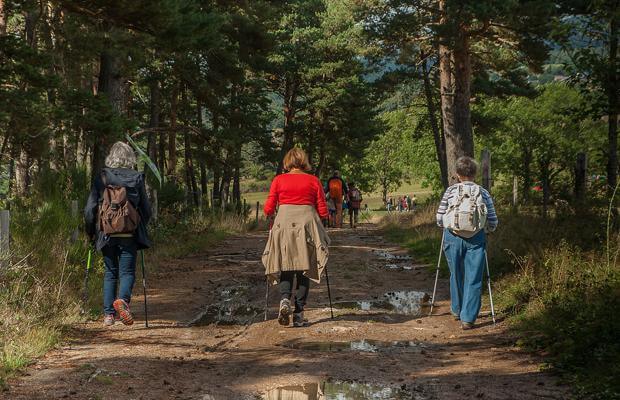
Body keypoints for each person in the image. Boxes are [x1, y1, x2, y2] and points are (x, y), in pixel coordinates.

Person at [84, 142, 152, 327]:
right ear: (130, 157)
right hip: (129, 233)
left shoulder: (102, 177)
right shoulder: (137, 177)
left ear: (111, 157)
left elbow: (90, 209)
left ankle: (108, 315)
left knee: (110, 273)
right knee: (127, 272)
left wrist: (90, 233)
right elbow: (146, 210)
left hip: (106, 234)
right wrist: (140, 227)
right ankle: (122, 300)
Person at [262, 148, 330, 327]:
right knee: (304, 268)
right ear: (304, 162)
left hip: (284, 223)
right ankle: (299, 314)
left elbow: (268, 208)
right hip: (306, 224)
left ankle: (284, 300)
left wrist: (271, 214)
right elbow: (323, 210)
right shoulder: (313, 180)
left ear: (287, 162)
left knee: (286, 264)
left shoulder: (278, 180)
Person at [436, 156, 498, 330]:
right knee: (474, 277)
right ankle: (468, 318)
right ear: (475, 173)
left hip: (452, 237)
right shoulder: (483, 192)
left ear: (457, 174)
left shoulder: (450, 191)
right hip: (476, 238)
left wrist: (446, 226)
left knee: (456, 273)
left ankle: (456, 309)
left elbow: (439, 218)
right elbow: (493, 220)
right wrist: (487, 230)